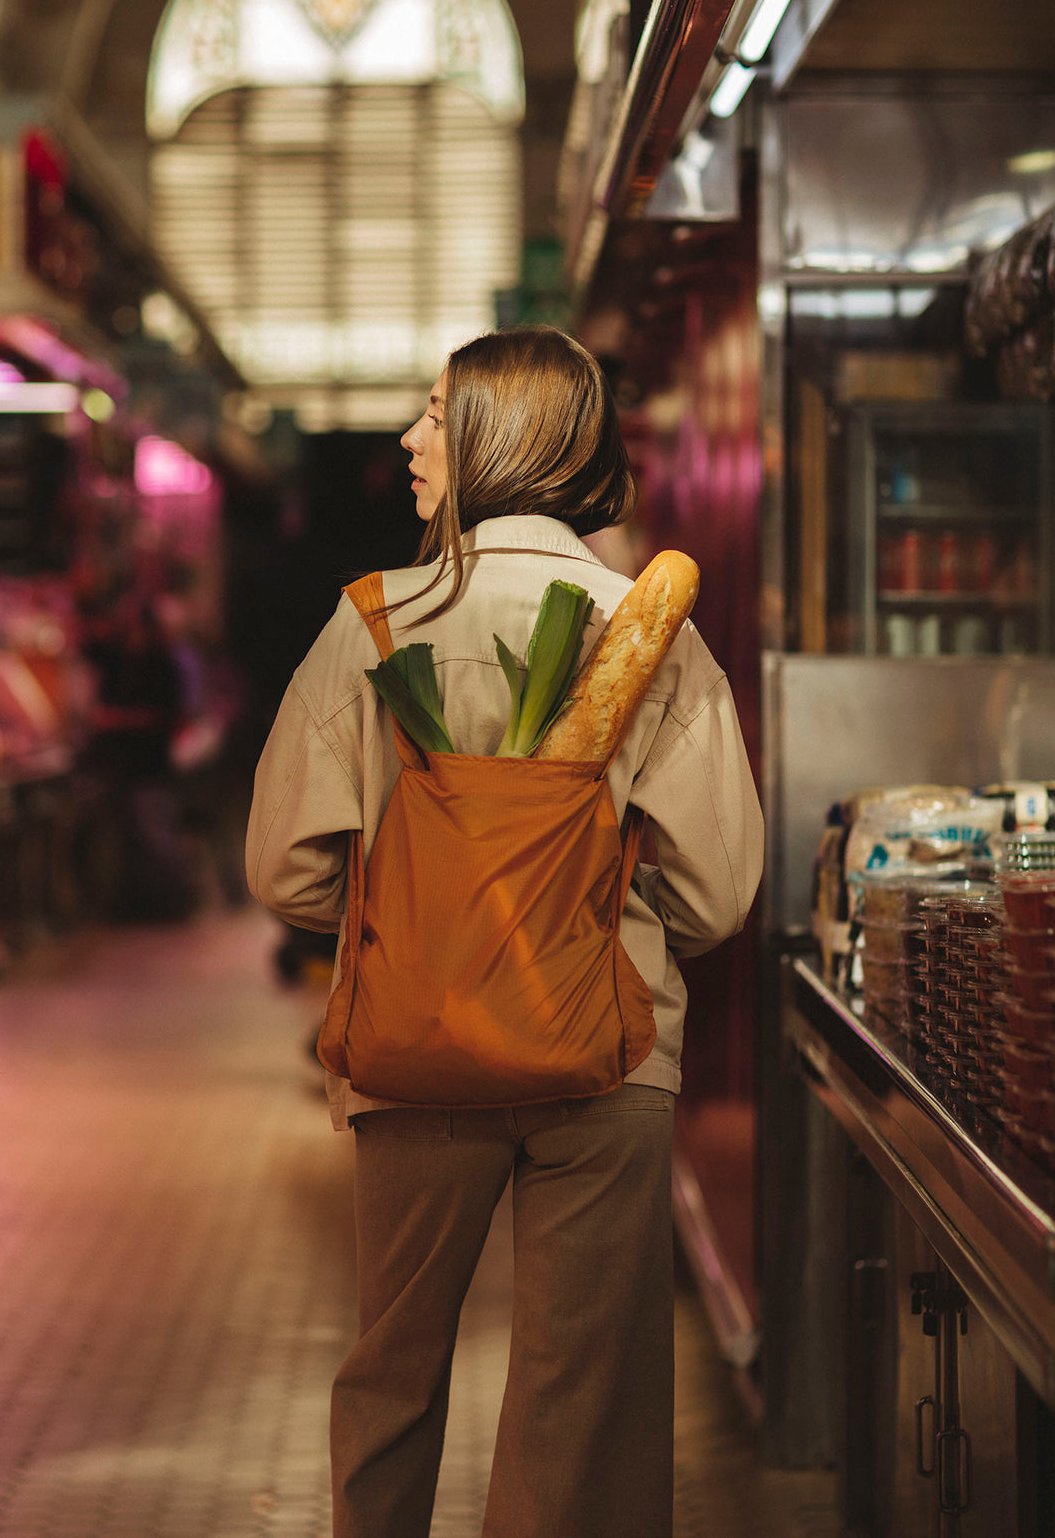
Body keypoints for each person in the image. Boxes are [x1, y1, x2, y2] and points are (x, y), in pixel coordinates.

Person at [245, 326, 764, 1538]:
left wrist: (419, 919)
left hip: (417, 1048)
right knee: (582, 1394)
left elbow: (283, 864)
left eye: (434, 415)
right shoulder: (650, 632)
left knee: (391, 1369)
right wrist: (600, 919)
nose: (410, 440)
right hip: (611, 1046)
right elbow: (719, 892)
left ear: (496, 438)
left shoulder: (374, 623)